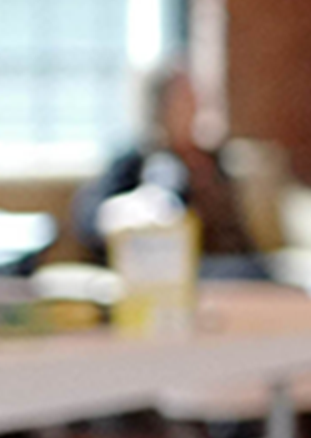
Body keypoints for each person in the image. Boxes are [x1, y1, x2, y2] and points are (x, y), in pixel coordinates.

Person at [80, 63, 267, 278]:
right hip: (172, 272)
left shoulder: (216, 161)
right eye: (183, 100)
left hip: (235, 270)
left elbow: (240, 236)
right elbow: (92, 219)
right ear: (160, 107)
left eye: (196, 100)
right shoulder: (138, 162)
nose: (194, 108)